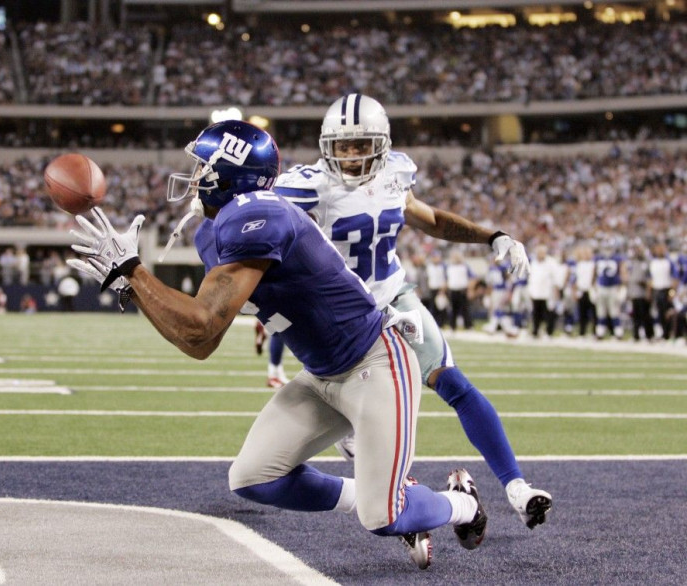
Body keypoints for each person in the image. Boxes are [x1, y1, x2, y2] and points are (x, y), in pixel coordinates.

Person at [67, 120, 488, 570]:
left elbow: (201, 328)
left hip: (375, 362)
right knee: (252, 478)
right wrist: (131, 282)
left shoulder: (261, 215)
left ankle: (460, 503)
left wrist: (132, 272)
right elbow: (201, 341)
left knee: (383, 518)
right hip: (322, 373)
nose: (193, 177)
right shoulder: (214, 230)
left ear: (228, 175)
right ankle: (390, 493)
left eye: (202, 166)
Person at [273, 94, 552, 529]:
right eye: (342, 146)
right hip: (338, 320)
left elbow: (430, 219)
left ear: (381, 143)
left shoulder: (395, 174)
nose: (350, 155)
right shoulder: (306, 185)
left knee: (454, 383)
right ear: (326, 145)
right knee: (365, 431)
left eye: (360, 144)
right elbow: (253, 212)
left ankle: (517, 487)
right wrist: (216, 205)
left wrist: (491, 236)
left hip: (392, 297)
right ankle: (412, 500)